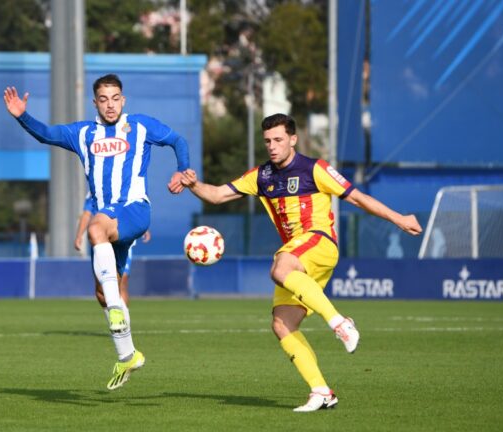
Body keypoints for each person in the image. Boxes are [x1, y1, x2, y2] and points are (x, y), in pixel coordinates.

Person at [180, 113, 422, 412]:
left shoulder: (315, 169)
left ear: (293, 139)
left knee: (280, 267)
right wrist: (193, 184)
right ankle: (321, 392)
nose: (272, 146)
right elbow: (216, 195)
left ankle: (341, 323)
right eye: (267, 140)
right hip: (298, 256)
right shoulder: (261, 176)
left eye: (279, 139)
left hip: (319, 242)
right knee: (282, 324)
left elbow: (358, 198)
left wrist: (399, 219)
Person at [4, 74, 189, 390]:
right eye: (103, 99)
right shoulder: (83, 133)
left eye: (115, 98)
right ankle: (127, 354)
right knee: (104, 292)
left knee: (95, 228)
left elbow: (178, 140)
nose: (110, 104)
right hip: (109, 224)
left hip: (133, 209)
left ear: (123, 99)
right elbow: (47, 134)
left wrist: (182, 169)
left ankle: (118, 311)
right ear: (95, 102)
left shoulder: (141, 126)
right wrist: (23, 116)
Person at [75, 194, 151, 306]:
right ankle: (115, 317)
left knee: (122, 281)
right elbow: (87, 213)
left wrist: (140, 227)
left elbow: (134, 207)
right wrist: (79, 235)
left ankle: (123, 322)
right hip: (100, 238)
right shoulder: (93, 191)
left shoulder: (125, 184)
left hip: (120, 234)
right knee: (101, 291)